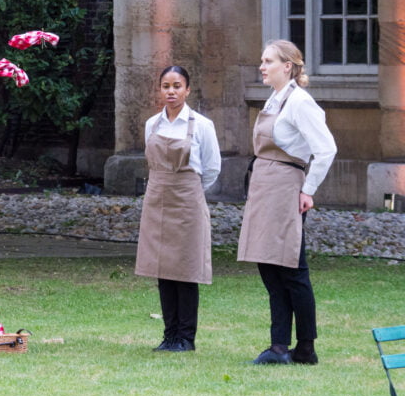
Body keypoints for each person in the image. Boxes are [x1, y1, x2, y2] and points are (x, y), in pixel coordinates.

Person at [238, 39, 337, 366]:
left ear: (288, 66)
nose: (262, 67)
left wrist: (308, 189)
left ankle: (305, 347)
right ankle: (279, 345)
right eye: (262, 61)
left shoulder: (299, 102)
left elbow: (326, 149)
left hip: (285, 188)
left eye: (268, 61)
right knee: (268, 265)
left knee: (292, 268)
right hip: (264, 186)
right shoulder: (273, 100)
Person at [135, 65, 221, 352]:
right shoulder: (152, 125)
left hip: (186, 201)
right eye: (166, 86)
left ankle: (186, 338)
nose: (171, 92)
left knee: (186, 270)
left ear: (187, 89)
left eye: (177, 86)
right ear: (160, 89)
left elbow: (211, 169)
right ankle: (169, 334)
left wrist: (188, 191)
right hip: (157, 199)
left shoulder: (202, 125)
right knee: (162, 268)